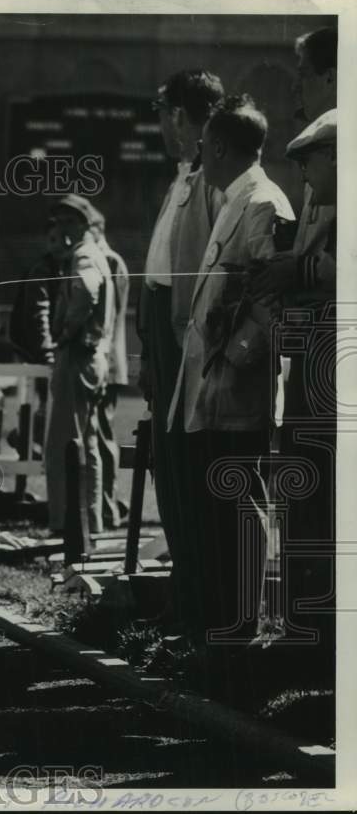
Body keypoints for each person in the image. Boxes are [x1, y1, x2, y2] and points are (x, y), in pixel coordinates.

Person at [167, 96, 294, 678]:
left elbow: (272, 298)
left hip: (236, 386)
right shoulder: (235, 199)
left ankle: (238, 629)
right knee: (220, 509)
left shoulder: (262, 202)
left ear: (217, 145)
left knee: (238, 506)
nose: (199, 155)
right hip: (215, 385)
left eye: (203, 145)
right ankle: (222, 629)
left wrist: (236, 356)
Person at [246, 28, 336, 656]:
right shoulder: (324, 148)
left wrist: (296, 271)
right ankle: (307, 629)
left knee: (326, 492)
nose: (295, 84)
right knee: (303, 487)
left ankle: (326, 639)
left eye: (303, 72)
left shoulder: (345, 137)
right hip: (310, 349)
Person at [139, 70, 225, 630]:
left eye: (163, 111)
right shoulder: (181, 178)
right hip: (160, 337)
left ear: (179, 115)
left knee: (191, 476)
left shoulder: (216, 181)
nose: (160, 124)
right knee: (167, 473)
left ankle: (199, 608)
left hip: (186, 341)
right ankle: (185, 597)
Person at [44, 194, 116, 539]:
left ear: (77, 226)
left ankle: (66, 525)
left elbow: (87, 291)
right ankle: (88, 523)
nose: (58, 229)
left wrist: (66, 330)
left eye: (64, 222)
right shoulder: (95, 253)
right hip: (91, 357)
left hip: (79, 354)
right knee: (86, 444)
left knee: (64, 445)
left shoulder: (85, 255)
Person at [7, 219, 65, 460]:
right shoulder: (43, 270)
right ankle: (27, 437)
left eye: (62, 238)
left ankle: (29, 438)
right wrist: (47, 353)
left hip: (46, 343)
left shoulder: (66, 267)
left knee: (45, 396)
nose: (59, 244)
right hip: (32, 343)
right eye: (53, 239)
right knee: (44, 391)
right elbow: (37, 315)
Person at [88, 205, 130, 530]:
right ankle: (106, 504)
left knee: (102, 437)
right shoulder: (104, 259)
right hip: (108, 360)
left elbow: (108, 318)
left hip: (108, 361)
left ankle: (108, 506)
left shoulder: (109, 261)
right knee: (98, 435)